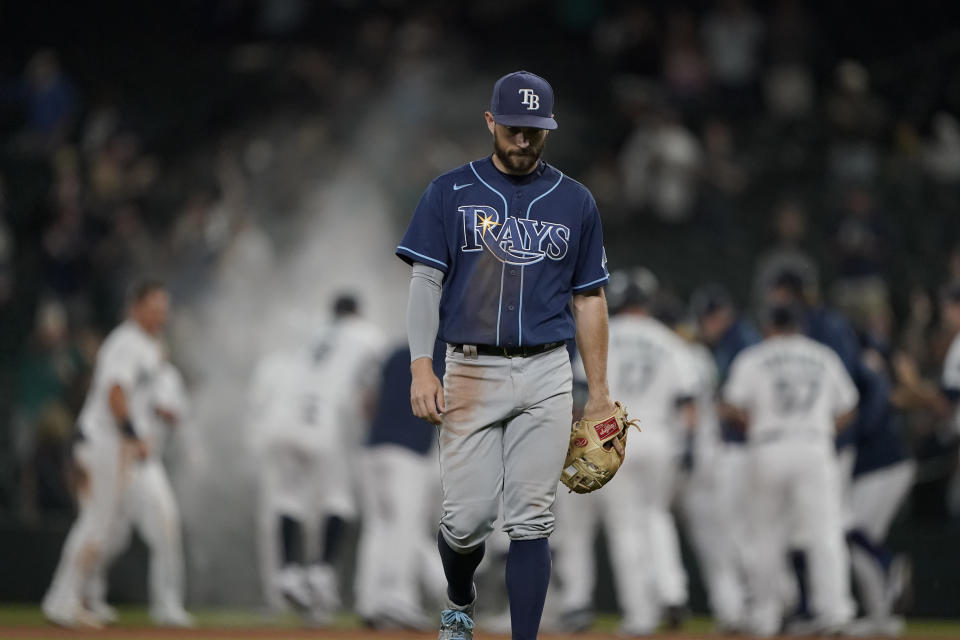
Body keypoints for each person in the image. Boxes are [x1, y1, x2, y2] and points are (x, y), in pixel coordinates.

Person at [396, 70, 614, 640]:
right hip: (469, 367)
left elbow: (589, 299)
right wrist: (423, 364)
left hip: (547, 370)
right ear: (491, 122)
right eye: (514, 128)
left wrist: (601, 394)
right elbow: (425, 280)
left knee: (532, 521)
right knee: (466, 523)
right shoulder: (450, 191)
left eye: (535, 131)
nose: (524, 140)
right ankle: (460, 598)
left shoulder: (575, 200)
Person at [554, 268, 697, 636]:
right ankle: (672, 591)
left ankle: (640, 616)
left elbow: (580, 396)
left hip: (614, 433)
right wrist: (688, 447)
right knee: (656, 516)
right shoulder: (670, 340)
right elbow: (687, 403)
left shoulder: (601, 332)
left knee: (625, 527)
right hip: (662, 437)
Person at [248, 293, 385, 625]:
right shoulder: (367, 334)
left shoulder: (316, 332)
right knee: (340, 499)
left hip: (283, 419)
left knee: (289, 498)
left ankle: (290, 572)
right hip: (320, 419)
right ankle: (321, 572)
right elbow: (375, 382)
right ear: (357, 312)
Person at [722, 304, 858, 636]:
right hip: (814, 445)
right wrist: (822, 429)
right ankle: (835, 613)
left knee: (766, 536)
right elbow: (849, 406)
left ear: (769, 326)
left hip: (769, 446)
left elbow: (730, 405)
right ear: (798, 327)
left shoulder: (754, 356)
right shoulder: (822, 355)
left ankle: (765, 618)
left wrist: (754, 423)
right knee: (825, 533)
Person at [42, 280, 169, 628]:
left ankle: (77, 597)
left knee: (107, 526)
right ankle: (61, 600)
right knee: (96, 524)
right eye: (155, 306)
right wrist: (135, 435)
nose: (161, 313)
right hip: (102, 442)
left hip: (109, 445)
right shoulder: (127, 342)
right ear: (136, 307)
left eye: (164, 307)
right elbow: (115, 392)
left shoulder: (145, 345)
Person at [84, 359, 194, 627]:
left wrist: (165, 412)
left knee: (167, 529)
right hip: (117, 457)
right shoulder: (123, 366)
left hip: (147, 464)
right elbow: (108, 404)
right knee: (111, 535)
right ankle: (88, 596)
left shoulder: (169, 375)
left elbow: (178, 413)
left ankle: (167, 605)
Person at [354, 341, 447, 630]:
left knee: (377, 526)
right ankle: (398, 598)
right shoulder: (447, 353)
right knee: (405, 526)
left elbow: (368, 400)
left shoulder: (395, 351)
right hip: (408, 452)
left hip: (372, 448)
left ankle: (369, 601)